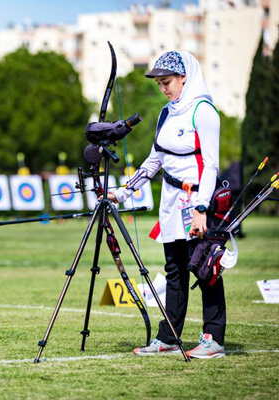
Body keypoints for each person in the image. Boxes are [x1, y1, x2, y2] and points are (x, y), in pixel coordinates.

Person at [108, 51, 226, 359]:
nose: (164, 88)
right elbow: (154, 160)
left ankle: (214, 340)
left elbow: (211, 166)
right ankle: (170, 338)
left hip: (198, 200)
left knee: (205, 269)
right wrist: (122, 192)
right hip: (173, 204)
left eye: (168, 82)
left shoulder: (203, 111)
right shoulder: (166, 113)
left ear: (185, 77)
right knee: (175, 271)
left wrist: (201, 209)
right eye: (160, 83)